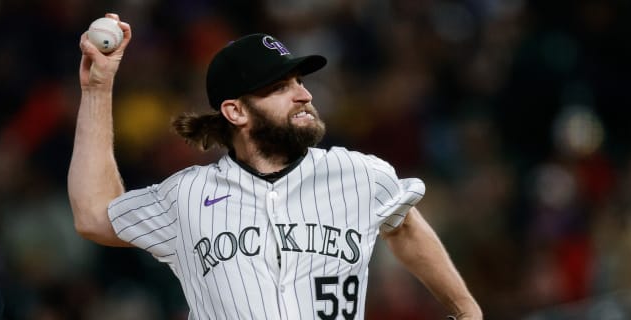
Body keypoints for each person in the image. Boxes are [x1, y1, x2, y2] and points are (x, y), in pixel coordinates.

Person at [69, 13, 482, 320]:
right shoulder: (187, 195)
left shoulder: (359, 175)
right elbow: (92, 215)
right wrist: (98, 89)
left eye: (300, 82)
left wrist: (466, 311)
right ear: (235, 111)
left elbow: (405, 225)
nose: (303, 94)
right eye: (280, 87)